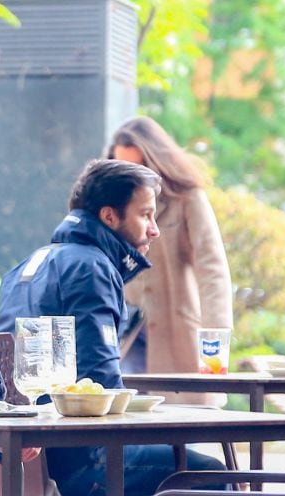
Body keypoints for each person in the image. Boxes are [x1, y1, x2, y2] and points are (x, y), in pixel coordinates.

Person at [0, 159, 228, 496]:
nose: (154, 229)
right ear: (109, 217)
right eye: (146, 215)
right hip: (84, 462)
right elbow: (98, 382)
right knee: (211, 475)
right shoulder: (91, 267)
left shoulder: (27, 264)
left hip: (21, 462)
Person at [106, 117, 234, 404]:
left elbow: (211, 267)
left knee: (182, 416)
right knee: (119, 410)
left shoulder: (186, 197)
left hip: (176, 328)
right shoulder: (109, 205)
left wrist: (215, 336)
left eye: (139, 167)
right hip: (126, 329)